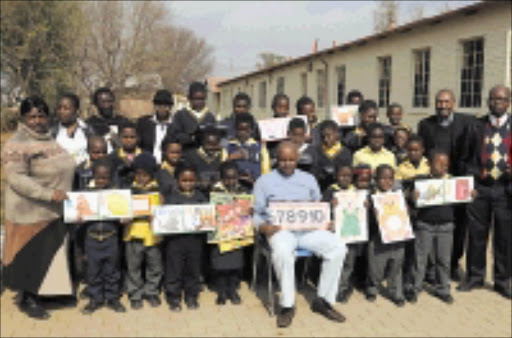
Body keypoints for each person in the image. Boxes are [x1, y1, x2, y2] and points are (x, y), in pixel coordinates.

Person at [253, 141, 347, 328]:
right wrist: (263, 227)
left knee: (338, 248)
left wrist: (325, 220)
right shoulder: (264, 182)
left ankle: (324, 301)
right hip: (280, 230)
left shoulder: (309, 179)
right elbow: (255, 213)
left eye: (291, 160)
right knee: (282, 252)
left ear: (297, 159)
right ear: (276, 160)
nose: (287, 163)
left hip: (307, 231)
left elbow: (317, 206)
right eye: (283, 160)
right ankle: (287, 305)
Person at [1, 96, 76, 320]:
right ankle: (28, 299)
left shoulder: (48, 138)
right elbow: (17, 179)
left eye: (41, 115)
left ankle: (47, 294)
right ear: (24, 117)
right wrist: (48, 193)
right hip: (30, 209)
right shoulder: (17, 143)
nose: (37, 120)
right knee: (30, 255)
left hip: (52, 209)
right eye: (32, 116)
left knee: (48, 255)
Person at [458, 85, 511, 299]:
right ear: (488, 101)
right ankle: (474, 276)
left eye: (502, 99)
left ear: (508, 102)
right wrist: (473, 179)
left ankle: (503, 280)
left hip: (505, 191)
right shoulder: (476, 126)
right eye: (493, 99)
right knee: (477, 235)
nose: (497, 102)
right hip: (480, 189)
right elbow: (464, 158)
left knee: (505, 238)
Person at [417, 89, 476, 281]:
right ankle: (432, 267)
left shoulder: (467, 123)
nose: (442, 105)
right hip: (435, 183)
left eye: (446, 102)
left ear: (453, 103)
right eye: (439, 102)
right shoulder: (425, 125)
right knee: (433, 222)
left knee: (459, 225)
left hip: (457, 182)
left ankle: (452, 264)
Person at [408, 150, 459, 304]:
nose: (443, 167)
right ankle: (414, 288)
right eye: (439, 163)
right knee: (420, 258)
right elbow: (410, 201)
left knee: (444, 260)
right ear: (429, 164)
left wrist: (470, 193)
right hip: (425, 225)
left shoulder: (452, 182)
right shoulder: (420, 181)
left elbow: (463, 199)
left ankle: (443, 289)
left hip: (446, 226)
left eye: (446, 164)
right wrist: (412, 197)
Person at [80, 158, 127, 314]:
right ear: (93, 176)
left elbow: (122, 217)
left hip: (111, 237)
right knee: (93, 272)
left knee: (112, 271)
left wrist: (124, 218)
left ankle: (112, 298)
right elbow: (78, 216)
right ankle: (95, 299)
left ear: (111, 177)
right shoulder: (85, 194)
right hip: (92, 238)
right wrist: (77, 217)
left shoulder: (116, 195)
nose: (102, 180)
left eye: (105, 177)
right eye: (98, 177)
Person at [162, 162, 208, 311]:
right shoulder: (170, 198)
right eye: (184, 180)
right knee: (174, 269)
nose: (188, 184)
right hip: (175, 241)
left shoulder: (201, 198)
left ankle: (191, 296)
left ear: (196, 180)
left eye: (191, 181)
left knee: (193, 269)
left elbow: (207, 218)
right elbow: (164, 219)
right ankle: (174, 297)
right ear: (177, 181)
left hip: (195, 241)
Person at [124, 152, 163, 309]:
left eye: (145, 174)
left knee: (155, 266)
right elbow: (119, 209)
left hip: (153, 235)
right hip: (133, 234)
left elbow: (169, 212)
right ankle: (135, 294)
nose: (141, 178)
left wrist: (162, 206)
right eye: (138, 174)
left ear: (152, 174)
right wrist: (123, 216)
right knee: (134, 266)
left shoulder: (159, 189)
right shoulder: (127, 190)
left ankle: (151, 292)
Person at [395, 135, 430, 302]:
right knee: (408, 251)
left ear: (423, 150)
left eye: (417, 150)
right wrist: (409, 195)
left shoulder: (429, 166)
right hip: (409, 214)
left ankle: (416, 283)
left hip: (427, 215)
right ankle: (405, 284)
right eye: (410, 150)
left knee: (420, 252)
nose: (413, 153)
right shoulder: (401, 169)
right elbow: (397, 193)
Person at [209, 161, 249, 305]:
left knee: (235, 265)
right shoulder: (214, 192)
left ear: (238, 177)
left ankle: (233, 291)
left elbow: (247, 212)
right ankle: (221, 292)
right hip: (220, 235)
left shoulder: (243, 192)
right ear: (221, 177)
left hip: (237, 235)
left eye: (233, 178)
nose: (230, 181)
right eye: (227, 178)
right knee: (220, 266)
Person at [366, 164, 406, 307]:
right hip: (377, 239)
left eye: (390, 179)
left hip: (397, 237)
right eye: (382, 178)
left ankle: (396, 292)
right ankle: (372, 288)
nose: (386, 182)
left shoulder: (399, 196)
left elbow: (407, 216)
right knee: (375, 267)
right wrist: (371, 212)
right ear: (376, 179)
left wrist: (406, 210)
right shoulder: (371, 196)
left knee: (396, 266)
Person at [321, 163, 360, 303]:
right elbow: (323, 210)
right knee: (334, 261)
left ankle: (342, 288)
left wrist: (365, 206)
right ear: (336, 176)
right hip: (334, 234)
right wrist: (331, 205)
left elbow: (361, 212)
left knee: (349, 262)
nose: (345, 179)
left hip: (351, 232)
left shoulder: (357, 192)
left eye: (348, 176)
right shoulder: (330, 191)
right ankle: (330, 288)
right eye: (342, 175)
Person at [225, 112, 270, 189]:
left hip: (255, 186)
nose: (242, 133)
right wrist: (231, 157)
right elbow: (223, 168)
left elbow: (266, 171)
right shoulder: (228, 146)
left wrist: (255, 181)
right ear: (235, 129)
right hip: (233, 188)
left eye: (246, 130)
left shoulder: (260, 147)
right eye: (240, 130)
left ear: (252, 130)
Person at [169, 81, 216, 152]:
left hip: (205, 157)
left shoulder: (210, 117)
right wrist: (192, 137)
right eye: (196, 99)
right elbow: (174, 136)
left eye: (202, 99)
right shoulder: (180, 115)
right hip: (186, 154)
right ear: (189, 98)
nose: (199, 102)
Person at [183, 126, 227, 197]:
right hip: (196, 193)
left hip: (216, 193)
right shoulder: (191, 156)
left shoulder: (223, 155)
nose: (212, 148)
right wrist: (199, 183)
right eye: (208, 144)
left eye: (215, 144)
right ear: (202, 142)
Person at [51, 93, 92, 165]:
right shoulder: (52, 132)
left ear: (76, 110)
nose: (61, 112)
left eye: (66, 109)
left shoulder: (88, 131)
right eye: (59, 108)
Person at [312, 120, 352, 192]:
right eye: (323, 136)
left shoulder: (345, 152)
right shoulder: (317, 151)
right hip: (322, 189)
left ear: (336, 134)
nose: (326, 139)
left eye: (329, 135)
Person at [136, 89, 175, 163]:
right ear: (155, 106)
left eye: (166, 105)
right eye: (159, 105)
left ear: (170, 107)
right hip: (147, 165)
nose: (162, 109)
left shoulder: (176, 125)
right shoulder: (144, 123)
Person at [86, 87, 128, 152]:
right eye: (103, 102)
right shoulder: (90, 124)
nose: (107, 105)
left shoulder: (123, 121)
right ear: (96, 104)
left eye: (109, 101)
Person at [107, 121, 142, 188]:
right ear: (119, 137)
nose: (129, 140)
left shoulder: (144, 156)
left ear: (137, 138)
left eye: (132, 137)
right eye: (125, 137)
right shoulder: (113, 157)